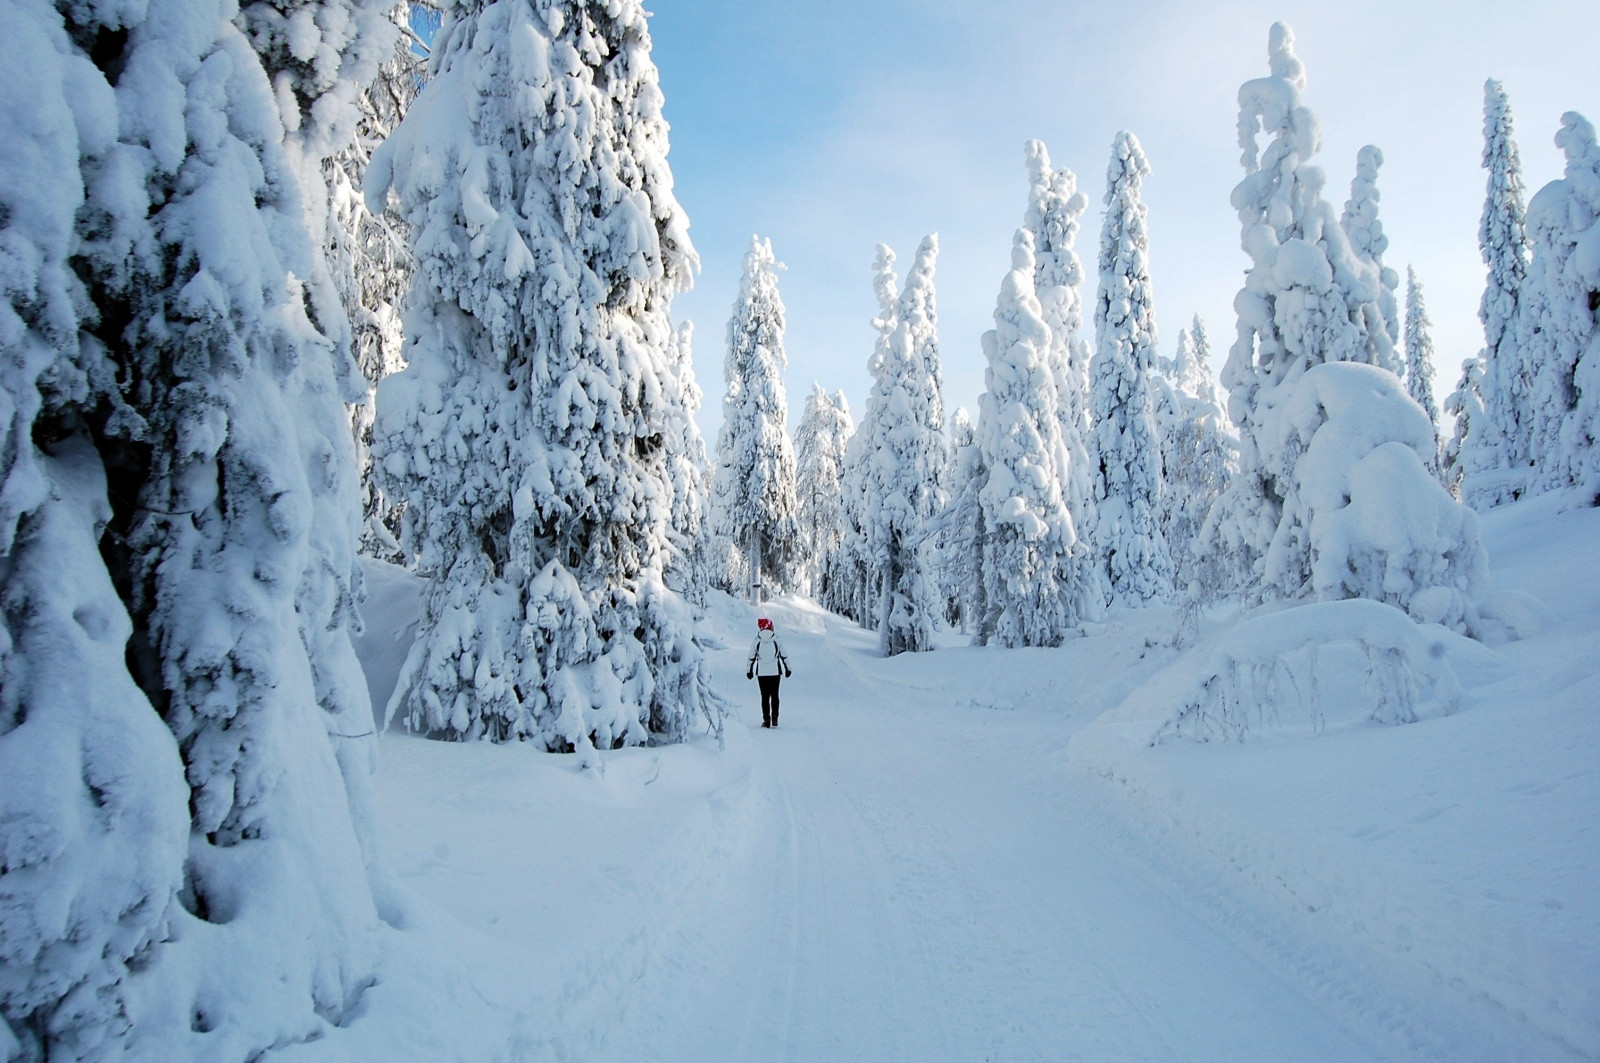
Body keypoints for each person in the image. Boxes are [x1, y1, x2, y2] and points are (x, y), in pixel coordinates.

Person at [746, 617, 791, 728]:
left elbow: (751, 657)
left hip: (762, 673)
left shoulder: (756, 641)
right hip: (775, 672)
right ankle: (775, 717)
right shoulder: (777, 639)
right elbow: (784, 655)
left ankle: (766, 719)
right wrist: (787, 668)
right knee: (775, 695)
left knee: (764, 696)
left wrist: (749, 670)